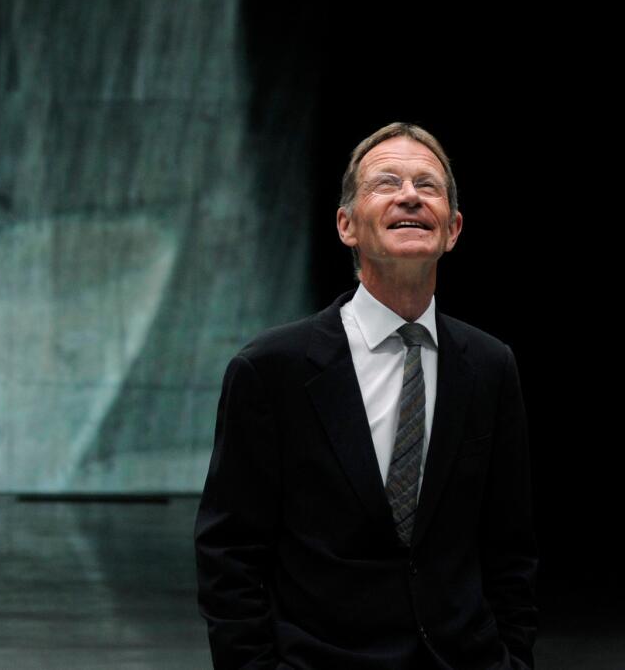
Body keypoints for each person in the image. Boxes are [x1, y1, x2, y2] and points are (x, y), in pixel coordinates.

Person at [194, 122, 538, 669]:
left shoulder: (491, 366)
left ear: (453, 229)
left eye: (428, 186)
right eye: (387, 183)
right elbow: (229, 552)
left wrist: (513, 659)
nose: (409, 195)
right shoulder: (270, 369)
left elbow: (511, 546)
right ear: (346, 225)